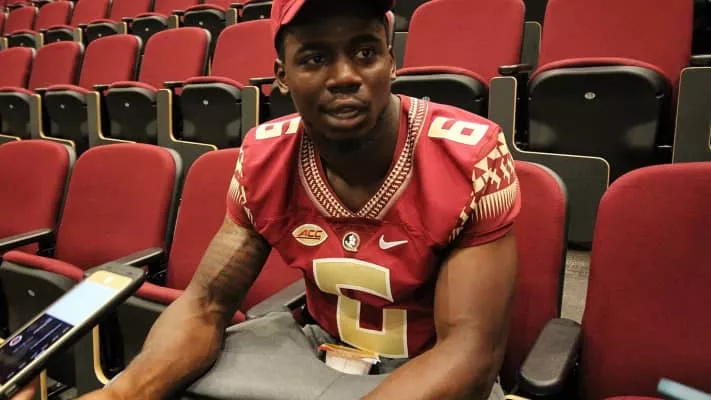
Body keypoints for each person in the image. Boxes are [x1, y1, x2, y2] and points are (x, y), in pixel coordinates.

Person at [18, 0, 520, 398]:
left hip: (428, 371)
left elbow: (470, 351)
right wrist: (120, 393)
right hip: (318, 353)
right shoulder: (263, 158)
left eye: (366, 52)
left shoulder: (470, 155)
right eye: (315, 58)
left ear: (392, 62)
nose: (345, 75)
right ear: (281, 76)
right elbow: (206, 304)